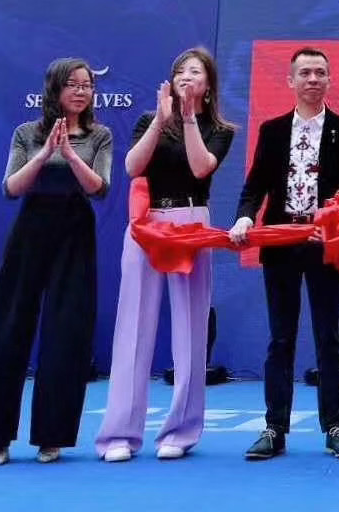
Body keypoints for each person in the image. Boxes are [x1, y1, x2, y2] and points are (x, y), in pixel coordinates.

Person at [0, 59, 113, 465]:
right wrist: (43, 155)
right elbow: (11, 187)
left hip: (75, 231)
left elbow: (99, 188)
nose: (81, 91)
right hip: (31, 227)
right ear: (55, 88)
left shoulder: (100, 135)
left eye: (87, 85)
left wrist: (71, 156)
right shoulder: (27, 133)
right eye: (73, 84)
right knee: (8, 326)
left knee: (66, 331)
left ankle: (52, 436)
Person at [230, 47, 339, 460]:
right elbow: (255, 185)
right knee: (280, 338)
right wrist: (244, 218)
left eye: (320, 72)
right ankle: (274, 428)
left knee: (329, 337)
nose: (313, 79)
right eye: (305, 72)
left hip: (324, 244)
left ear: (329, 80)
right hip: (280, 243)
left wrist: (335, 225)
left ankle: (336, 427)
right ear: (290, 80)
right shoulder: (273, 131)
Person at [97, 48, 236, 462]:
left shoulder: (220, 129)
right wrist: (161, 120)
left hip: (191, 222)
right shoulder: (149, 119)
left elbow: (200, 168)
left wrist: (189, 118)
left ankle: (181, 430)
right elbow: (132, 167)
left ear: (208, 86)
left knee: (191, 329)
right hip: (147, 223)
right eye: (180, 71)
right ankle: (120, 434)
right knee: (133, 326)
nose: (186, 76)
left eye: (195, 72)